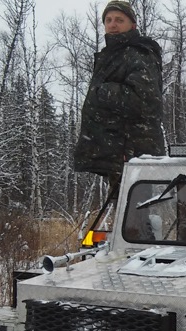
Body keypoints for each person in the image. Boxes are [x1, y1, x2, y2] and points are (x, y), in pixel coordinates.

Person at [74, 1, 164, 195]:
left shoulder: (138, 54)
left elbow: (145, 101)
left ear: (133, 25)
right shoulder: (114, 55)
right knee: (126, 213)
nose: (112, 25)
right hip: (118, 153)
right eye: (108, 20)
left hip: (134, 153)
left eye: (119, 20)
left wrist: (102, 91)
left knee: (136, 214)